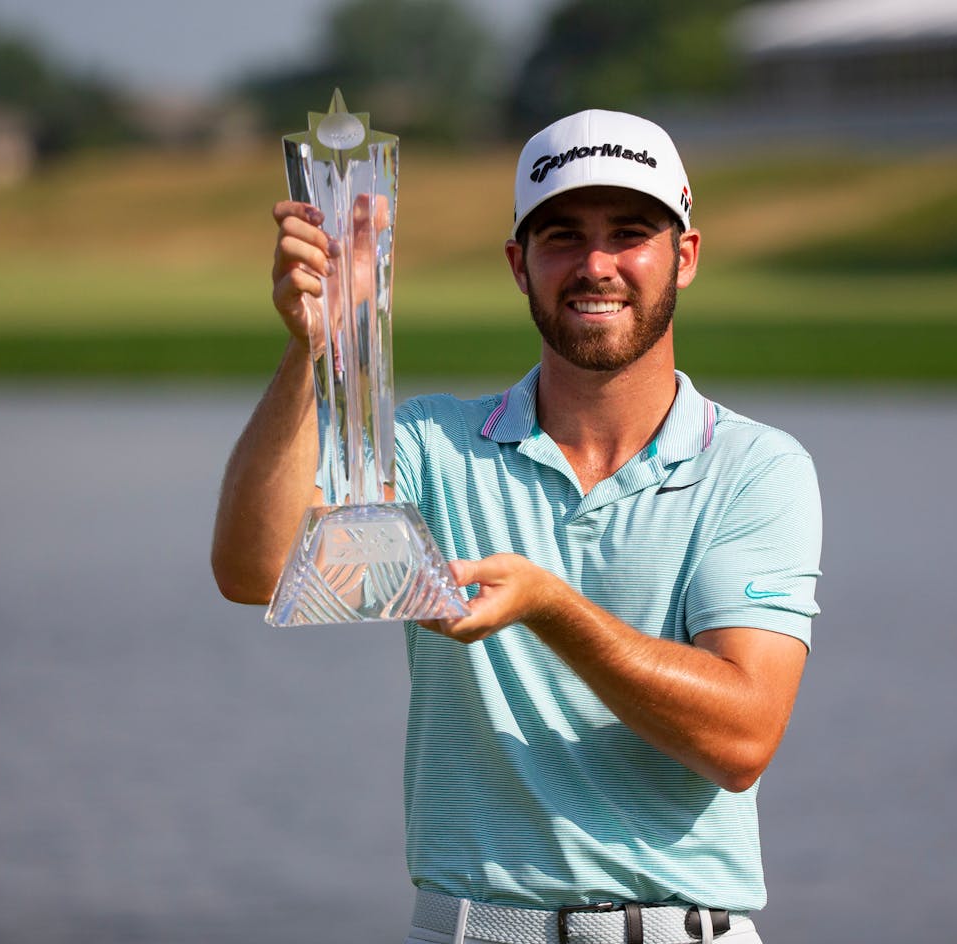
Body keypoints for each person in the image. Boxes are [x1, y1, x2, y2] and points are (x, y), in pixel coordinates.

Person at [211, 109, 822, 944]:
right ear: (519, 265)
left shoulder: (755, 466)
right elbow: (256, 570)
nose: (597, 266)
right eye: (562, 237)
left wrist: (549, 607)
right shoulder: (431, 446)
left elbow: (741, 737)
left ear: (685, 256)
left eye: (631, 234)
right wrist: (311, 351)